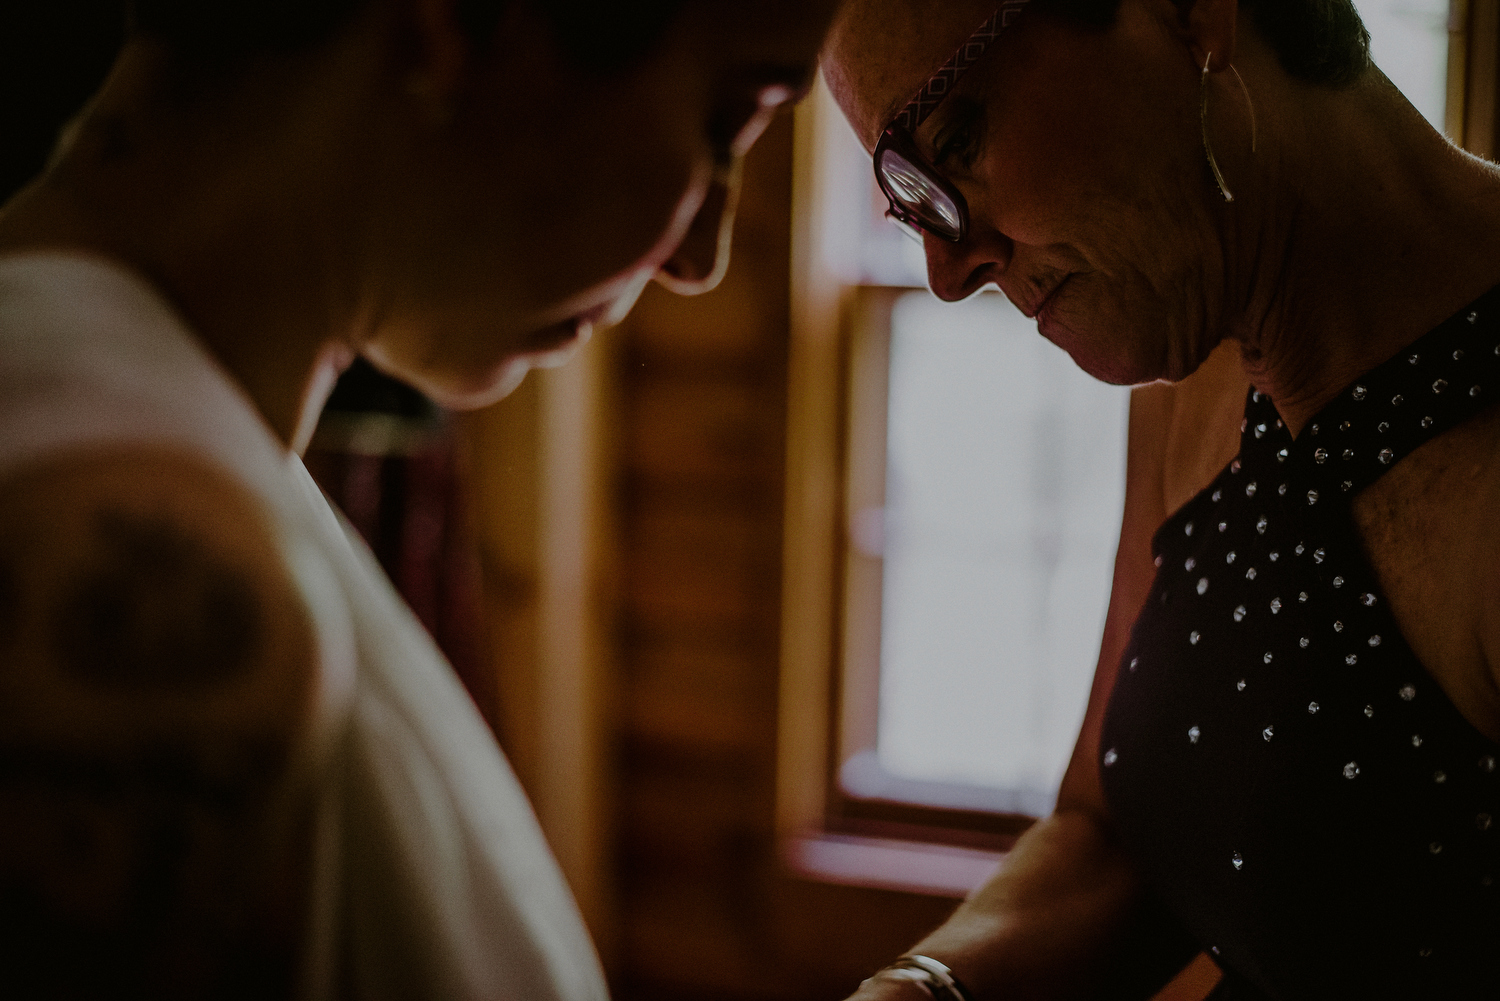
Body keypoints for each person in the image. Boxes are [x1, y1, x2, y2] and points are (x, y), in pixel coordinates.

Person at [0, 1, 835, 998]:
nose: (701, 258)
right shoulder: (145, 575)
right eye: (726, 116)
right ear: (450, 30)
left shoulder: (152, 418)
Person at [822, 0, 1500, 998]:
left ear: (1191, 14)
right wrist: (921, 987)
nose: (946, 266)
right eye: (913, 200)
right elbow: (1114, 833)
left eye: (958, 139)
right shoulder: (1197, 345)